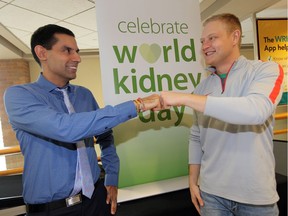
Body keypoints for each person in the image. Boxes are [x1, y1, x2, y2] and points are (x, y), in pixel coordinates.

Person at [3, 24, 160, 216]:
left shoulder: (84, 95)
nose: (77, 58)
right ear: (42, 53)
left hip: (96, 200)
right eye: (67, 50)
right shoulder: (19, 95)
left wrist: (112, 177)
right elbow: (66, 129)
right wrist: (138, 105)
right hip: (53, 210)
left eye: (77, 51)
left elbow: (105, 136)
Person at [159, 13, 284, 216]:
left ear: (235, 37)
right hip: (211, 196)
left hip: (256, 198)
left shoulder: (266, 70)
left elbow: (255, 111)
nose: (205, 45)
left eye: (212, 38)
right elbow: (196, 137)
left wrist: (183, 98)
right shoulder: (202, 87)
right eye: (202, 41)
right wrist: (192, 182)